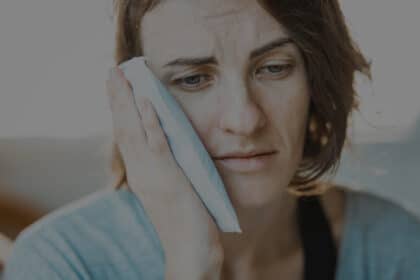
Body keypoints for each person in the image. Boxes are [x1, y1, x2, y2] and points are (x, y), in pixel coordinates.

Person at [4, 0, 420, 279]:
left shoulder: (393, 248)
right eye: (193, 79)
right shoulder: (59, 263)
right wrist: (191, 264)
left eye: (274, 68)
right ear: (136, 101)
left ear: (317, 79)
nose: (244, 119)